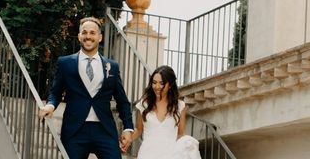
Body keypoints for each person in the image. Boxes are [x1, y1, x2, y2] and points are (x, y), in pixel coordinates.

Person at [38, 17, 135, 158]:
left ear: (100, 37)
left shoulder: (112, 66)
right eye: (84, 32)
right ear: (79, 36)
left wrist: (127, 128)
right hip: (75, 130)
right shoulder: (65, 63)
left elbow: (122, 101)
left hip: (104, 130)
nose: (88, 36)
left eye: (92, 33)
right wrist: (50, 106)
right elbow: (56, 93)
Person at [128, 66, 200, 159]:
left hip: (170, 154)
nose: (157, 87)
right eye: (154, 83)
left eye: (161, 83)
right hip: (147, 154)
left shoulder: (180, 106)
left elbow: (181, 134)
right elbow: (139, 130)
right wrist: (127, 140)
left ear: (170, 85)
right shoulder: (143, 104)